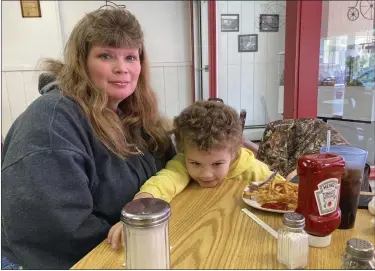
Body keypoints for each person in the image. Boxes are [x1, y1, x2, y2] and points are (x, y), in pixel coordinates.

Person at [1, 8, 175, 270]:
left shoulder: (129, 112)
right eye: (106, 55)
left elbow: (170, 165)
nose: (122, 69)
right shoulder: (52, 120)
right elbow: (58, 230)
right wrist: (140, 237)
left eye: (130, 56)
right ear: (81, 63)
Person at [107, 100, 287, 249]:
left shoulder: (252, 168)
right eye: (195, 163)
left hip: (243, 240)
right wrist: (138, 213)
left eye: (217, 164)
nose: (206, 174)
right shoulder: (181, 164)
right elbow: (163, 182)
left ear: (234, 153)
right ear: (184, 152)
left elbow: (285, 190)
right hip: (195, 237)